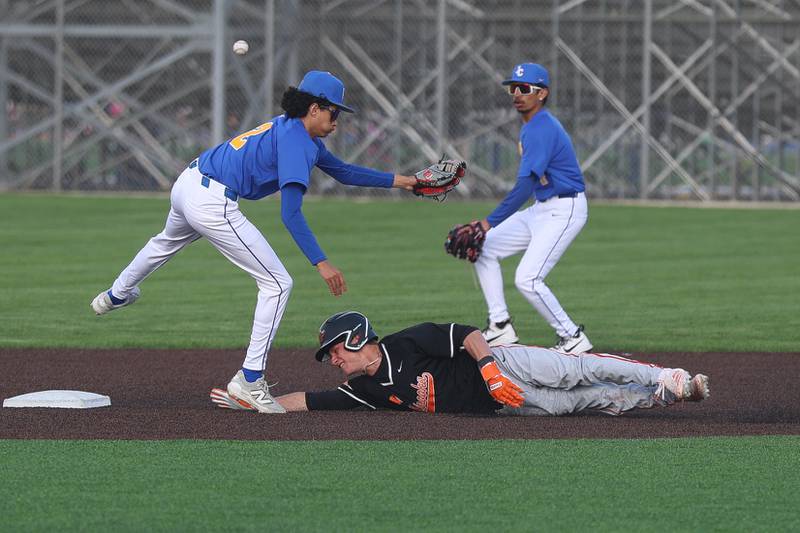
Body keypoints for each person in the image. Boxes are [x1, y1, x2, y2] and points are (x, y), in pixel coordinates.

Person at [91, 71, 419, 413]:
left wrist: (407, 182)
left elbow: (344, 171)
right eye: (334, 112)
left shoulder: (293, 130)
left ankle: (114, 295)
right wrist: (321, 262)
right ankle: (249, 380)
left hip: (189, 181)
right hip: (211, 201)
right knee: (277, 283)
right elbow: (290, 213)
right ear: (313, 109)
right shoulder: (297, 142)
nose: (337, 120)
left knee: (164, 243)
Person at [211, 311, 710, 416]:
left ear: (359, 339)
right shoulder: (361, 391)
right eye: (329, 356)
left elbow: (468, 334)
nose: (333, 360)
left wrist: (491, 368)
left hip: (506, 367)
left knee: (579, 369)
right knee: (582, 402)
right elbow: (308, 401)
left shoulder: (406, 343)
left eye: (336, 349)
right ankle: (663, 395)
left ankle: (663, 375)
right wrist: (257, 403)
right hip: (504, 407)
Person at [468, 63, 591, 353]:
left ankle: (572, 337)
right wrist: (485, 231)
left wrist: (487, 222)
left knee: (527, 278)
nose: (517, 94)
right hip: (543, 208)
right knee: (482, 247)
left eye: (525, 89)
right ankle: (500, 326)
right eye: (513, 88)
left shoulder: (542, 128)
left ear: (542, 93)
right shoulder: (531, 127)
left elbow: (524, 186)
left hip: (565, 208)